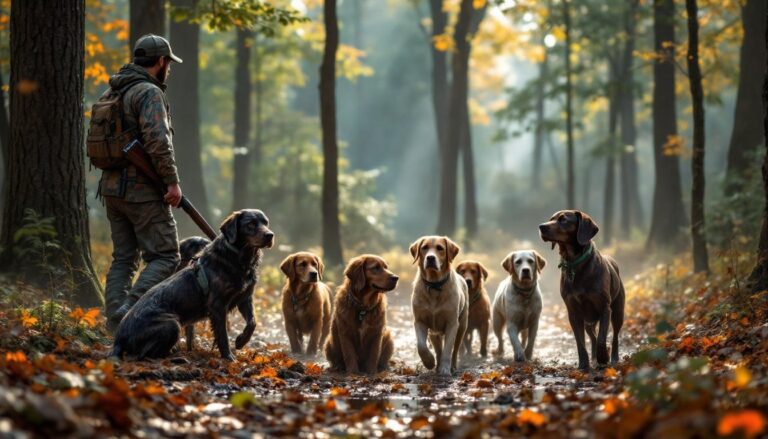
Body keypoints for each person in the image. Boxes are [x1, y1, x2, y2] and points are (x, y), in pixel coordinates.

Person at [102, 34, 184, 332]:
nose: (169, 69)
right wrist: (172, 182)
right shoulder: (148, 92)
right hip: (141, 190)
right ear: (160, 62)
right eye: (168, 63)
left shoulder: (113, 90)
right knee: (166, 256)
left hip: (110, 189)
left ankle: (114, 323)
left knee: (123, 257)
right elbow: (158, 141)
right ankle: (128, 311)